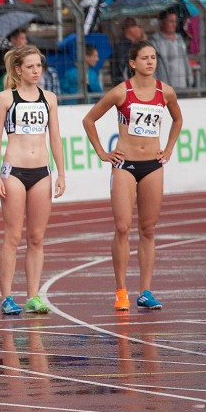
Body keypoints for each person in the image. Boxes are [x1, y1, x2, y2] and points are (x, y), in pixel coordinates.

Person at [82, 41, 183, 311]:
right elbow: (89, 120)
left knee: (148, 229)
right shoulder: (121, 92)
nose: (150, 62)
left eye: (153, 58)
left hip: (152, 164)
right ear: (132, 63)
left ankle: (146, 291)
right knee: (123, 227)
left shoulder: (166, 92)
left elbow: (178, 120)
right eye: (144, 58)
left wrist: (169, 148)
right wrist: (103, 152)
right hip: (125, 165)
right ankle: (121, 290)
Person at [0, 45, 66, 315]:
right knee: (12, 236)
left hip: (41, 172)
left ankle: (33, 295)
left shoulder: (50, 99)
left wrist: (61, 173)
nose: (36, 71)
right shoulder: (5, 99)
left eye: (39, 66)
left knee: (36, 237)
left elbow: (55, 137)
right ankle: (7, 296)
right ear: (18, 69)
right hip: (14, 172)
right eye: (31, 66)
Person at [150, 11, 191, 88]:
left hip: (182, 85)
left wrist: (189, 79)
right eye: (170, 21)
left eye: (175, 21)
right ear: (162, 22)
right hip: (163, 87)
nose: (174, 24)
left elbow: (185, 59)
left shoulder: (179, 39)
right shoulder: (154, 41)